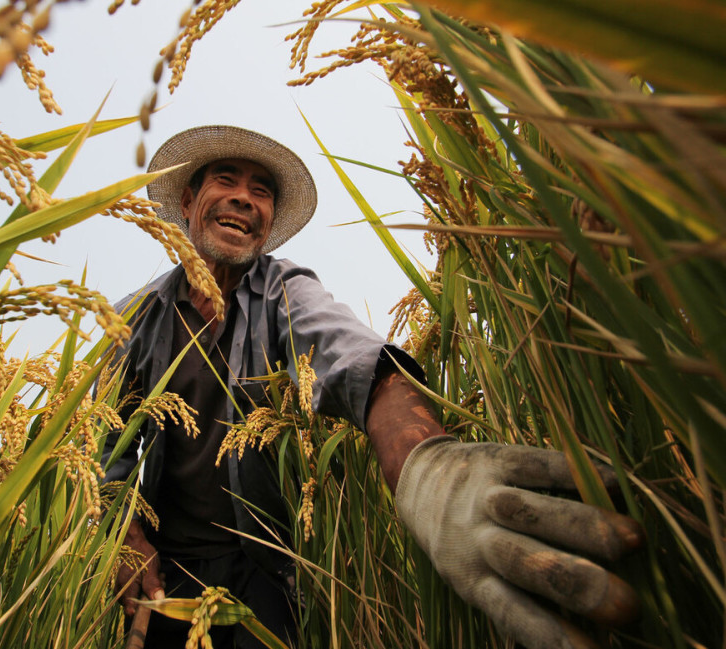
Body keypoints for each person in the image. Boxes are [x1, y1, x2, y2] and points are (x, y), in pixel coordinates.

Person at [101, 125, 643, 649]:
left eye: (261, 191)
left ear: (267, 223)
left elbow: (356, 359)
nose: (244, 199)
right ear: (190, 202)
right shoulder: (136, 319)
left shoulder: (283, 291)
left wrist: (428, 467)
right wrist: (122, 540)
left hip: (263, 562)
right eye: (227, 180)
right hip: (161, 566)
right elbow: (98, 445)